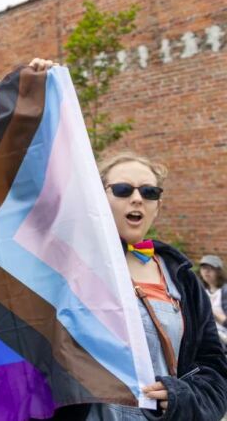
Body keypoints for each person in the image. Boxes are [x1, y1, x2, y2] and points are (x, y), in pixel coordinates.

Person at [69, 152, 227, 420]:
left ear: (158, 205)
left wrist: (182, 397)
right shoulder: (69, 267)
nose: (137, 198)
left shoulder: (182, 277)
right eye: (122, 189)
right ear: (98, 197)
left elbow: (214, 367)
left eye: (149, 191)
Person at [198, 254, 227, 345]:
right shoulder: (200, 291)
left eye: (210, 268)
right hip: (205, 335)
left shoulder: (224, 291)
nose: (206, 271)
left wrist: (209, 311)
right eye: (203, 268)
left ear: (219, 271)